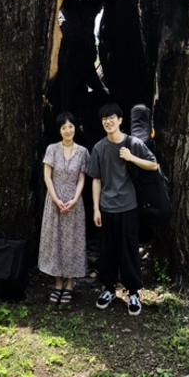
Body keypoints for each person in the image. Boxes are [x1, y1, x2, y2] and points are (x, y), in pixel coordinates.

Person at [87, 102, 157, 316]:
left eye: (112, 118)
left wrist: (131, 157)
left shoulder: (133, 143)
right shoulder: (99, 147)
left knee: (128, 250)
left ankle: (133, 292)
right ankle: (108, 289)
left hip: (128, 206)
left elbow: (153, 165)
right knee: (107, 251)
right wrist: (96, 209)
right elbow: (96, 179)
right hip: (107, 208)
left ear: (120, 120)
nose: (108, 121)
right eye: (104, 119)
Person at [38, 111, 90, 305]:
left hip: (74, 204)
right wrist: (56, 199)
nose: (68, 130)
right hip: (54, 203)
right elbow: (47, 177)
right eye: (63, 127)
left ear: (75, 128)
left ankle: (70, 284)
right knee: (56, 241)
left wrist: (75, 199)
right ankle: (58, 283)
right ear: (59, 130)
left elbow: (82, 178)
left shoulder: (83, 151)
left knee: (73, 242)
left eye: (70, 126)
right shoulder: (52, 149)